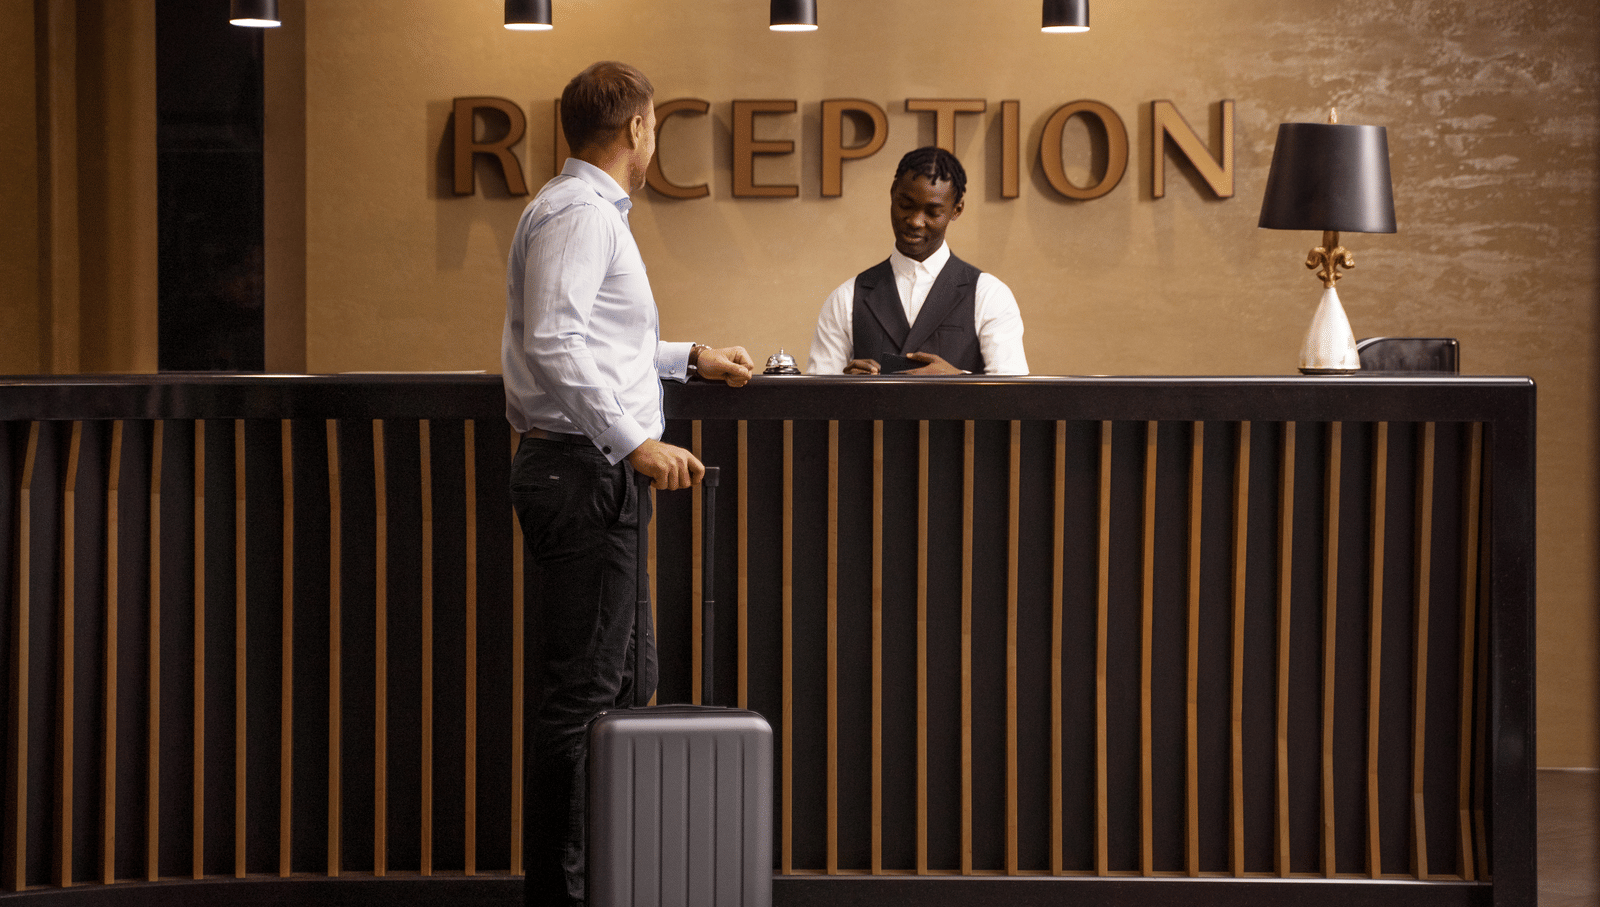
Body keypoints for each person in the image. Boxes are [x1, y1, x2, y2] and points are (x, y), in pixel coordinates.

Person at [501, 60, 754, 907]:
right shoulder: (581, 215)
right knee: (584, 698)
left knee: (621, 679)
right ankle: (566, 892)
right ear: (639, 128)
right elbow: (555, 341)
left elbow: (605, 342)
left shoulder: (580, 209)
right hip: (582, 470)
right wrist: (635, 441)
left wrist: (691, 357)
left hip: (587, 469)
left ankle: (602, 877)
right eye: (654, 127)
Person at [806, 146, 1028, 376]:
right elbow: (815, 394)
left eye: (932, 212)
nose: (915, 221)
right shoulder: (846, 297)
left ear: (957, 209)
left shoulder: (989, 295)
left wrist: (957, 380)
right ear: (892, 193)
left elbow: (1014, 392)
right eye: (906, 205)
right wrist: (847, 389)